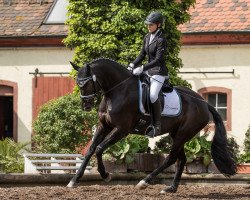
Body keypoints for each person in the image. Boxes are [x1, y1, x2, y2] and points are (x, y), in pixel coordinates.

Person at [128, 11, 168, 137]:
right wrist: (132, 64)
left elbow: (158, 60)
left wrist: (143, 67)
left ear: (158, 25)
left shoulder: (161, 39)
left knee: (152, 95)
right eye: (148, 25)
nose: (148, 27)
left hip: (159, 72)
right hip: (147, 71)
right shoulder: (147, 37)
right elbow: (142, 54)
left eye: (151, 25)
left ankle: (157, 126)